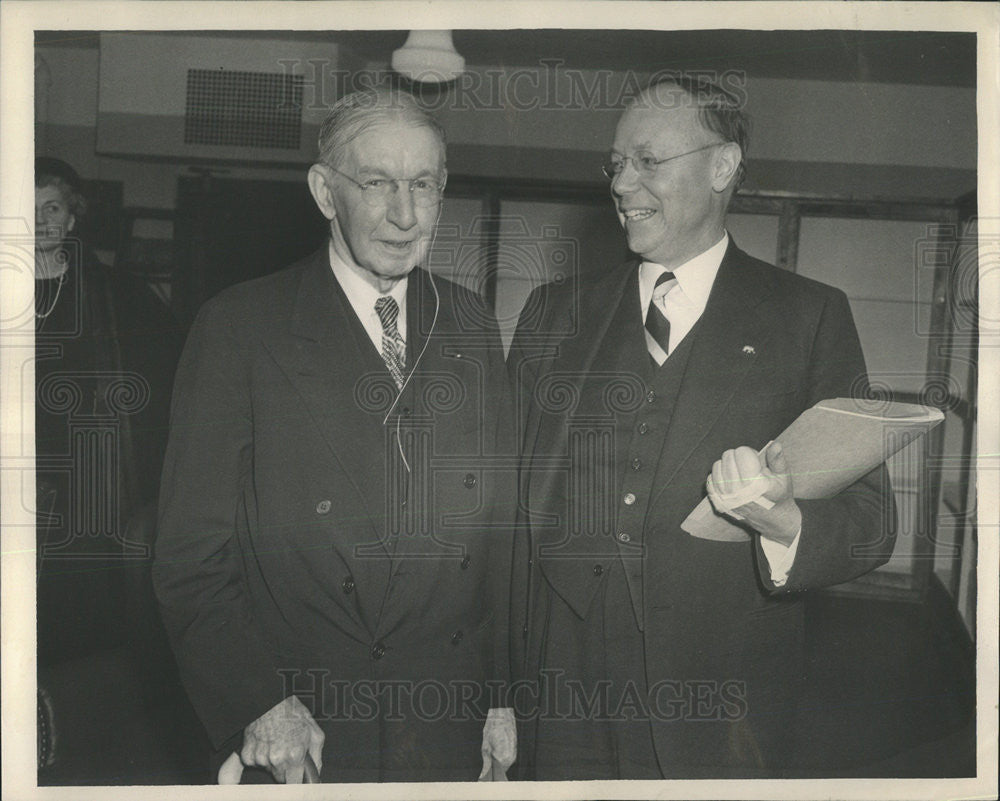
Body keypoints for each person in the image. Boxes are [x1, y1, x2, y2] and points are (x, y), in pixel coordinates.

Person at [507, 76, 896, 779]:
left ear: (723, 166)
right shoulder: (550, 312)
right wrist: (497, 694)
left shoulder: (809, 317)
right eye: (616, 163)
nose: (623, 183)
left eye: (648, 161)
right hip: (557, 686)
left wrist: (784, 524)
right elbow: (501, 513)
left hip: (718, 702)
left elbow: (873, 521)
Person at [153, 88, 516, 784]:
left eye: (424, 186)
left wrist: (502, 696)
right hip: (298, 728)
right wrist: (257, 701)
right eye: (377, 183)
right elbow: (190, 556)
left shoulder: (471, 323)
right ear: (325, 191)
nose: (404, 215)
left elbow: (498, 541)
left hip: (444, 724)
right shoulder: (240, 327)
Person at [34, 157, 181, 666]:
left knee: (82, 593)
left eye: (51, 207)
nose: (40, 221)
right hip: (19, 463)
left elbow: (167, 363)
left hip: (92, 467)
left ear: (72, 217)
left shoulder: (114, 289)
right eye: (27, 209)